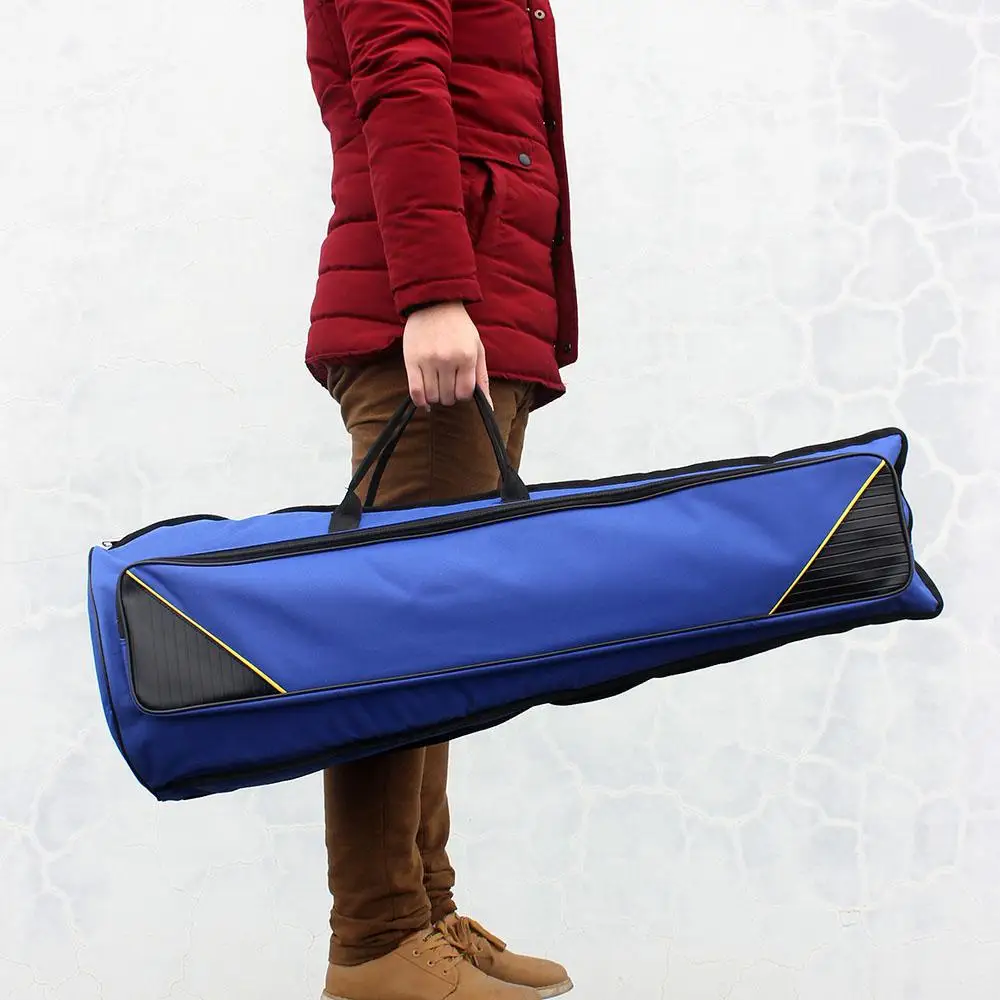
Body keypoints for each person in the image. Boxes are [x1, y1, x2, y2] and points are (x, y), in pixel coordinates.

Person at [301, 3, 579, 998]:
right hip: (433, 312)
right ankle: (377, 941)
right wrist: (430, 293)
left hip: (482, 309)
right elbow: (397, 77)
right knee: (398, 643)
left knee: (435, 642)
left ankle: (423, 915)